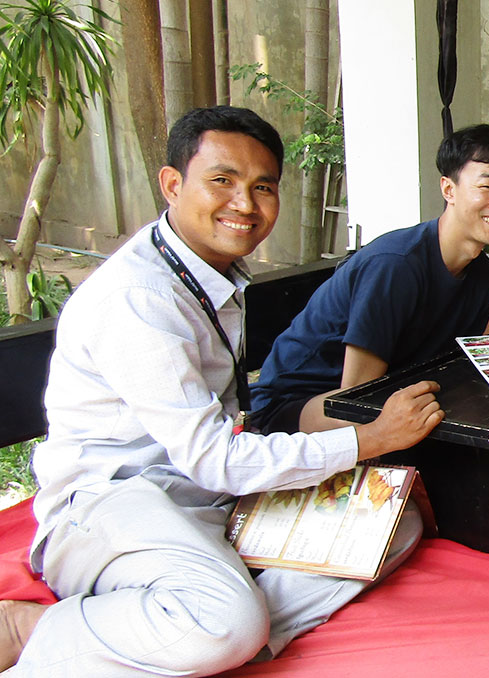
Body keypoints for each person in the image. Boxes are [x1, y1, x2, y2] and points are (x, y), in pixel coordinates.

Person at [0, 106, 446, 676]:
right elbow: (216, 458)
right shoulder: (139, 299)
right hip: (114, 502)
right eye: (222, 181)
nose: (245, 204)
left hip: (205, 498)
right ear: (171, 184)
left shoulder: (211, 277)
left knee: (388, 525)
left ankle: (213, 630)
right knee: (225, 619)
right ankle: (33, 628)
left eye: (263, 187)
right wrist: (368, 439)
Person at [250, 123, 489, 433]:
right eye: (487, 187)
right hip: (299, 404)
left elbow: (444, 372)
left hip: (386, 392)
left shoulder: (483, 276)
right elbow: (357, 399)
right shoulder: (396, 266)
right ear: (449, 190)